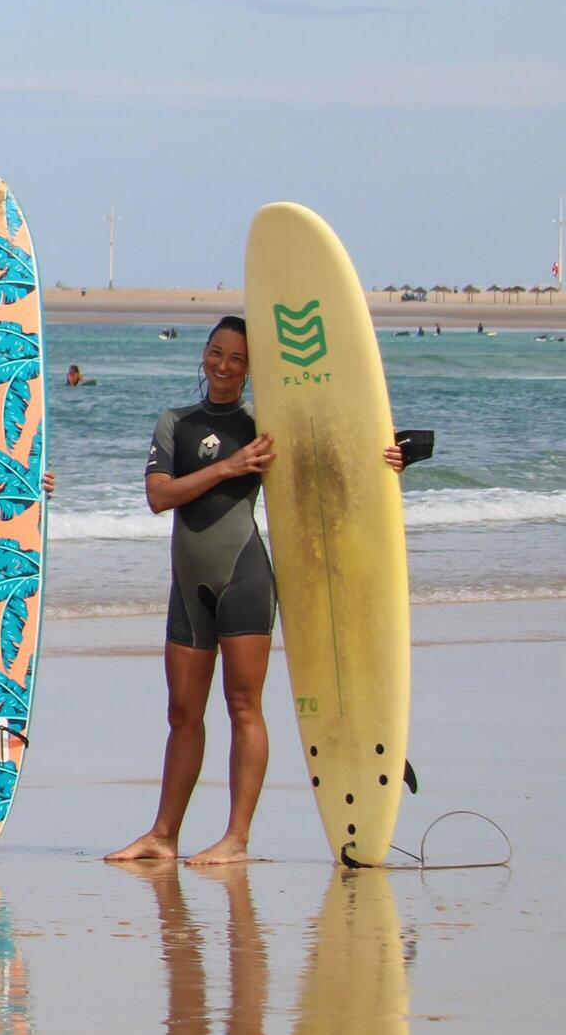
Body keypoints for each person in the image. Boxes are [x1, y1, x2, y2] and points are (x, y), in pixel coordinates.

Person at [108, 317, 412, 865]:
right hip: (187, 587)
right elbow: (159, 496)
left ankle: (237, 838)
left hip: (243, 580)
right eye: (216, 353)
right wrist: (228, 467)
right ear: (203, 355)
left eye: (237, 359)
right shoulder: (175, 422)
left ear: (252, 370)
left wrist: (395, 454)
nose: (223, 366)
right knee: (182, 713)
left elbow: (332, 466)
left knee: (244, 705)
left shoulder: (266, 427)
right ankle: (163, 834)